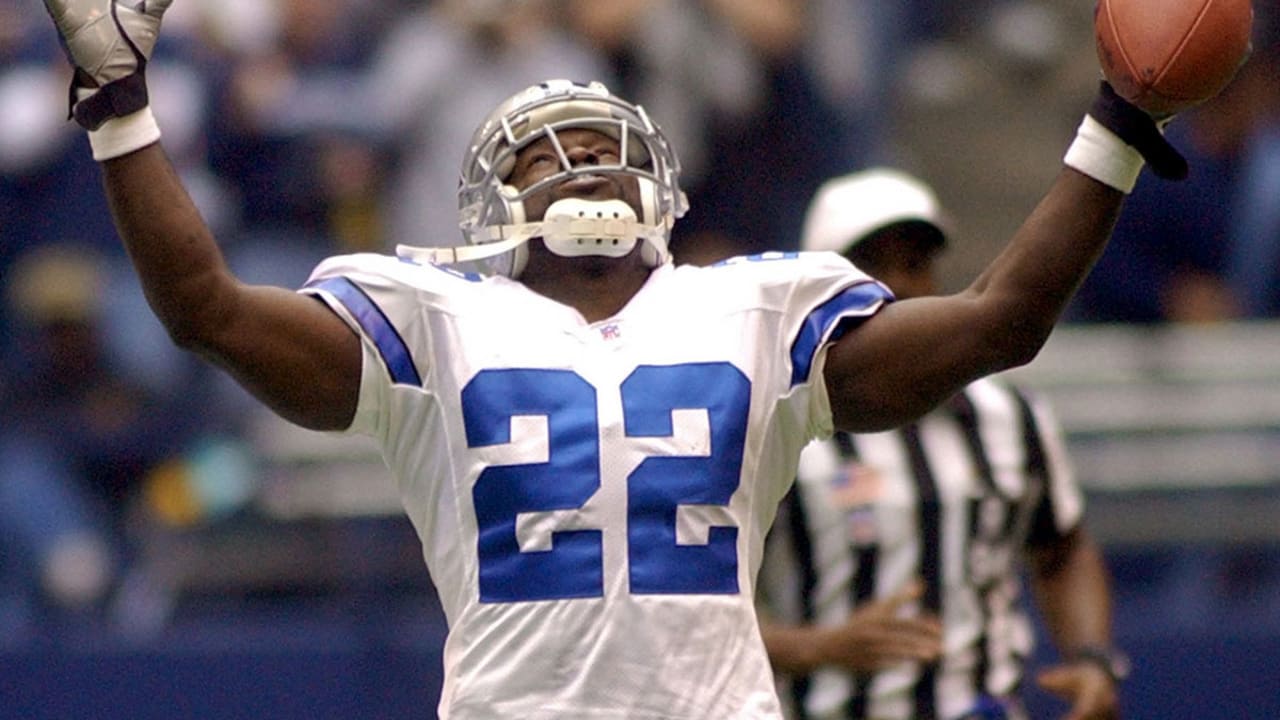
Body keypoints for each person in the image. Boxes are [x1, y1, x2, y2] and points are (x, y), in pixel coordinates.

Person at [38, 0, 1205, 716]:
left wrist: (1112, 124)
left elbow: (1000, 321)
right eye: (551, 157)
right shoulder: (430, 320)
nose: (582, 166)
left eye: (602, 147)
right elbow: (202, 311)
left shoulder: (756, 307)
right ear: (494, 200)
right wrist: (118, 108)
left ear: (655, 179)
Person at [757, 168, 1123, 720]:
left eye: (915, 263)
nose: (899, 285)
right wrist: (815, 649)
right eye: (870, 266)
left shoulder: (1009, 418)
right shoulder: (771, 425)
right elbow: (699, 605)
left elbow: (1062, 546)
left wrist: (1091, 657)